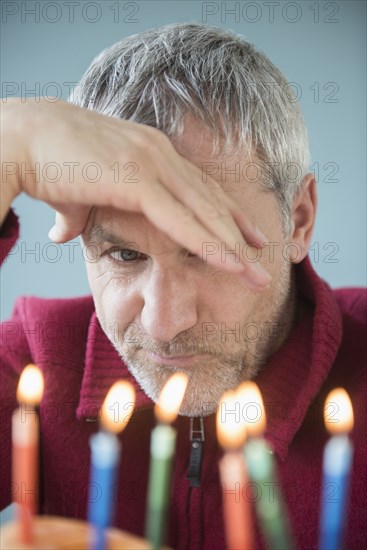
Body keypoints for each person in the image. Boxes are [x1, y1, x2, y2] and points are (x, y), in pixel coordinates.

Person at [1, 22, 366, 550]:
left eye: (209, 253)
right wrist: (10, 142)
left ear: (300, 220)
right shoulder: (31, 369)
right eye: (124, 255)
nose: (163, 323)